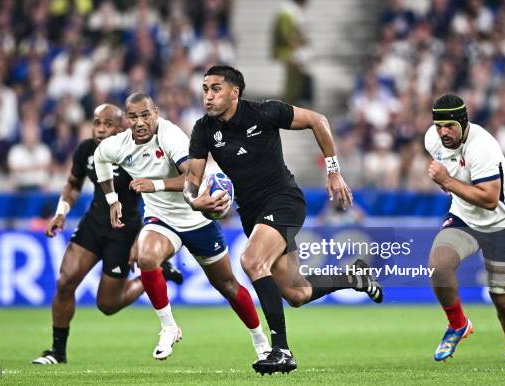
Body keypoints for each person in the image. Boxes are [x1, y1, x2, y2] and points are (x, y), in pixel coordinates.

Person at [184, 65, 383, 375]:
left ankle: (281, 350)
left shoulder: (264, 112)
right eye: (205, 88)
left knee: (251, 260)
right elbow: (191, 180)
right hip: (252, 213)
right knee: (296, 293)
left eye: (215, 89)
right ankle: (354, 278)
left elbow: (318, 120)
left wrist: (333, 170)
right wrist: (194, 200)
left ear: (234, 92)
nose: (207, 95)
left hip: (284, 200)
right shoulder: (204, 129)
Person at [93, 93, 270, 361]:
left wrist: (156, 184)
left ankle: (261, 341)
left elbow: (192, 177)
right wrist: (112, 200)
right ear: (126, 120)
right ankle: (168, 327)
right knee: (147, 257)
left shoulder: (170, 135)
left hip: (197, 217)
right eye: (133, 117)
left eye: (145, 115)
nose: (140, 122)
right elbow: (99, 158)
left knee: (227, 285)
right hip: (161, 218)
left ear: (155, 112)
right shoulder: (118, 145)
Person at [32, 104, 183, 365]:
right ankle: (57, 351)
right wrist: (61, 212)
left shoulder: (136, 152)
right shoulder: (86, 150)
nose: (100, 129)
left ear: (121, 126)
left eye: (108, 124)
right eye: (96, 123)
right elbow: (73, 183)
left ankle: (158, 275)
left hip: (125, 231)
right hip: (94, 223)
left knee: (107, 305)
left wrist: (143, 237)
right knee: (65, 281)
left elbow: (153, 196)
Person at [425, 94, 505, 370]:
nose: (443, 133)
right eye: (438, 126)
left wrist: (446, 181)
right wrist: (446, 181)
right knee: (438, 265)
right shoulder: (432, 140)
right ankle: (458, 324)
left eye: (449, 126)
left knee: (503, 299)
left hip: (501, 224)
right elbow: (450, 172)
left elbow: (490, 199)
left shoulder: (483, 147)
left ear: (463, 122)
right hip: (464, 219)